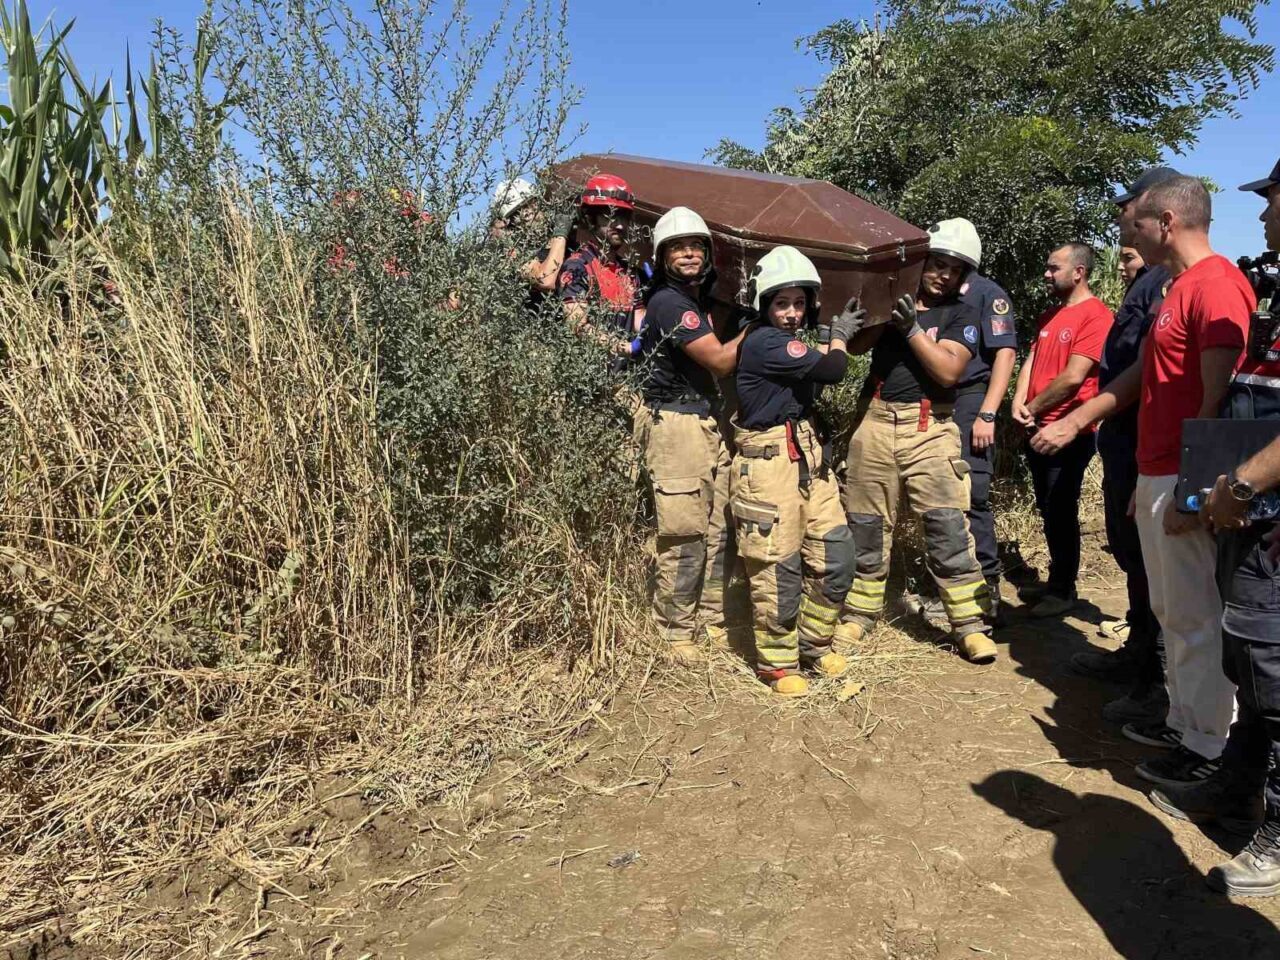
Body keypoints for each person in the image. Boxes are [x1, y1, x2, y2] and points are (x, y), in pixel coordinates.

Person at [1147, 158, 1280, 897]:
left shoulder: (1218, 284)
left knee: (1273, 670)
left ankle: (1276, 826)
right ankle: (1239, 783)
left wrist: (1226, 486)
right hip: (1252, 513)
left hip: (1255, 504)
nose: (1262, 216)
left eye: (1273, 201)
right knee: (1251, 659)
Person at [838, 220, 996, 663]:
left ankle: (968, 626)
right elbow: (856, 348)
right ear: (923, 263)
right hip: (875, 420)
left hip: (930, 428)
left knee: (947, 527)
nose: (943, 275)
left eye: (954, 269)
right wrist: (874, 314)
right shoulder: (898, 303)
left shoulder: (961, 316)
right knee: (866, 525)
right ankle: (860, 614)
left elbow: (949, 372)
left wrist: (910, 330)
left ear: (964, 276)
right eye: (937, 265)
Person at [730, 246, 861, 696]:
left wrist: (826, 331)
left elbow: (812, 362)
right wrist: (839, 335)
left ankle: (813, 643)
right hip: (768, 466)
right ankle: (778, 665)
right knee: (776, 568)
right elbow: (833, 368)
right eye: (781, 303)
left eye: (799, 303)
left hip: (808, 458)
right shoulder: (766, 340)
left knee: (838, 556)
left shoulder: (791, 345)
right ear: (764, 306)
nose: (790, 313)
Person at [634, 206, 750, 663]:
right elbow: (720, 361)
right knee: (684, 531)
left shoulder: (696, 301)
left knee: (719, 526)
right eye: (678, 247)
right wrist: (756, 327)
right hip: (677, 425)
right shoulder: (669, 303)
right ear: (663, 256)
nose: (689, 254)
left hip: (704, 421)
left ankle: (711, 618)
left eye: (696, 246)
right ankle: (675, 632)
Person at [917, 221, 1016, 621]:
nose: (945, 271)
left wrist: (987, 414)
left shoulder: (987, 294)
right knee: (938, 495)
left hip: (970, 399)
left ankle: (986, 589)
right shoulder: (924, 289)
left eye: (953, 264)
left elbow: (1005, 354)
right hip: (931, 401)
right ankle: (947, 583)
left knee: (971, 490)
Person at [1012, 244, 1113, 618]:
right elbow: (1031, 361)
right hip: (1037, 425)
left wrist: (1033, 408)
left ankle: (1063, 589)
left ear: (1079, 272)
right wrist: (1019, 401)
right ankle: (1057, 583)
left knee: (1060, 506)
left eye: (1054, 268)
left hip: (1071, 430)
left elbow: (1074, 377)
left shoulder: (1097, 316)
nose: (1046, 274)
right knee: (1048, 506)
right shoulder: (1049, 316)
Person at [559, 174, 643, 357]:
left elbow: (639, 320)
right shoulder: (578, 266)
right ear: (591, 218)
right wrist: (624, 348)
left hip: (622, 380)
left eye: (624, 218)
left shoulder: (629, 272)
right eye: (611, 216)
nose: (620, 226)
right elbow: (577, 325)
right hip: (586, 381)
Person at [491, 177, 573, 310]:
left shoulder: (570, 237)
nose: (526, 214)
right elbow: (546, 280)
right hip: (542, 325)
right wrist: (561, 232)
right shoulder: (513, 253)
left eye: (529, 204)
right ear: (510, 222)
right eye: (517, 212)